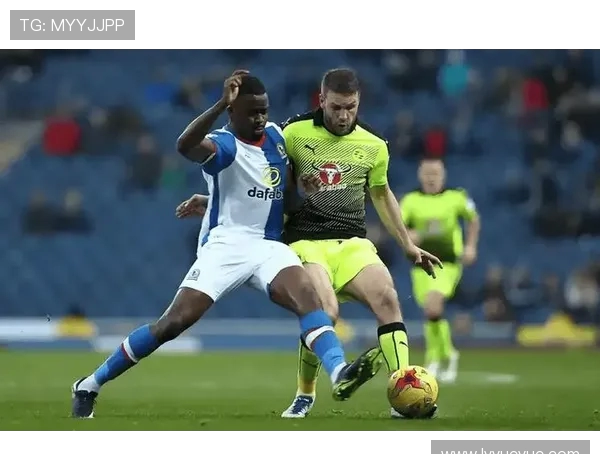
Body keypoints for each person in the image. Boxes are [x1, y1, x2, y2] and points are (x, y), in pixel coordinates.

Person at [70, 71, 381, 419]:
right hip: (226, 246)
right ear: (233, 112)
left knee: (308, 299)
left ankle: (339, 371)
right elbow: (185, 145)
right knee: (172, 324)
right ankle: (89, 384)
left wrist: (304, 190)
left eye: (263, 110)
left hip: (268, 245)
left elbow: (286, 200)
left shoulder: (277, 138)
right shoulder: (224, 145)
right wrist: (219, 103)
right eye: (251, 112)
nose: (260, 118)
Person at [177, 68, 442, 420]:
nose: (344, 115)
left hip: (352, 242)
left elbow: (381, 193)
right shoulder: (292, 133)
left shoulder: (374, 145)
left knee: (388, 299)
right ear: (322, 100)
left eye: (350, 107)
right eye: (336, 107)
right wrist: (214, 202)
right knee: (325, 311)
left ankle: (403, 391)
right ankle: (305, 394)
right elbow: (259, 179)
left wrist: (408, 244)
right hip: (305, 241)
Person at [400, 157, 480, 383]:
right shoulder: (411, 200)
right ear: (420, 175)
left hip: (447, 263)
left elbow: (473, 219)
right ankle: (449, 354)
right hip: (420, 264)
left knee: (433, 303)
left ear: (443, 175)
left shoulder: (456, 197)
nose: (431, 178)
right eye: (427, 173)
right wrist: (407, 236)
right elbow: (397, 223)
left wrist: (471, 246)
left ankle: (433, 358)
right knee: (430, 312)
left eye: (435, 173)